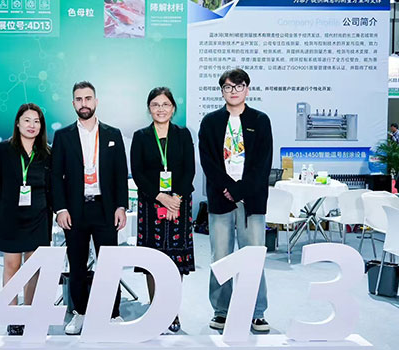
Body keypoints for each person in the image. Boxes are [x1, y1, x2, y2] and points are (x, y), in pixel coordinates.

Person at [198, 68, 273, 332]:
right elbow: (208, 161)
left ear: (247, 89)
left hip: (251, 201)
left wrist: (240, 191)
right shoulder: (211, 122)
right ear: (222, 91)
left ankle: (257, 311)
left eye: (238, 86)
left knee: (254, 256)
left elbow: (263, 163)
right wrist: (228, 188)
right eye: (228, 87)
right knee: (221, 257)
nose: (234, 91)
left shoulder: (260, 120)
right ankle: (222, 311)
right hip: (221, 199)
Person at [52, 81, 128, 335]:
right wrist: (60, 209)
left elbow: (120, 173)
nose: (83, 103)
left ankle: (113, 312)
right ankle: (80, 313)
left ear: (96, 101)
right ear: (73, 103)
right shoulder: (63, 136)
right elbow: (55, 176)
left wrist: (121, 206)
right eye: (79, 99)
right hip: (75, 211)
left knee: (110, 263)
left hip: (105, 208)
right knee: (77, 265)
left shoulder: (112, 134)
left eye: (88, 98)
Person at [130, 87, 195, 333]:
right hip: (151, 204)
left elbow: (189, 169)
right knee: (153, 259)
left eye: (165, 104)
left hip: (179, 204)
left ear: (173, 108)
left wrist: (175, 199)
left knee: (176, 259)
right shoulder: (141, 136)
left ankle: (172, 310)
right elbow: (138, 172)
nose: (161, 109)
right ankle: (156, 309)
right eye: (155, 104)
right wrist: (161, 197)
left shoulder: (183, 134)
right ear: (149, 108)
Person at [0, 103, 52, 336]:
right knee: (12, 266)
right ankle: (13, 317)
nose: (31, 125)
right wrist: (8, 204)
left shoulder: (47, 152)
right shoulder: (3, 150)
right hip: (10, 217)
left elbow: (52, 185)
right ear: (17, 123)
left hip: (39, 217)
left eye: (36, 121)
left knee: (33, 268)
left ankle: (29, 313)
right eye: (27, 120)